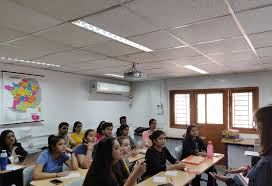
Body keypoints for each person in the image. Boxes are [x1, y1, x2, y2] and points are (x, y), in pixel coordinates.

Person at [210, 105, 272, 186]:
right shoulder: (267, 158)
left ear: (266, 128)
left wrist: (228, 181)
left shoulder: (266, 163)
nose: (257, 131)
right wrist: (246, 169)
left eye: (257, 126)